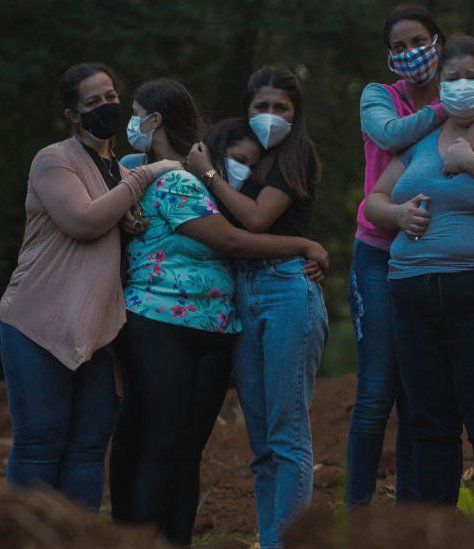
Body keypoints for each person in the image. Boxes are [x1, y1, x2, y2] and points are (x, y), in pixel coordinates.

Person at [108, 79, 328, 546]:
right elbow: (233, 239)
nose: (242, 168)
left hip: (221, 322)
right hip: (160, 321)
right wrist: (306, 243)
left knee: (196, 448)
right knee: (164, 443)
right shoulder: (161, 175)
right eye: (261, 105)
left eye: (250, 164)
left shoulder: (221, 191)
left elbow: (245, 226)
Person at [347, 2, 474, 507]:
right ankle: (396, 523)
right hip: (399, 275)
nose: (411, 54)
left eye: (469, 78)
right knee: (403, 409)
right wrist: (396, 213)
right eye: (399, 47)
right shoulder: (400, 115)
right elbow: (377, 191)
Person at [0, 63, 180, 510]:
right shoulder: (54, 159)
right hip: (36, 322)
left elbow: (110, 224)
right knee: (41, 441)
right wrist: (145, 176)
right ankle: (26, 539)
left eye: (111, 96)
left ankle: (76, 538)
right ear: (73, 114)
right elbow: (81, 221)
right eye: (93, 102)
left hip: (96, 329)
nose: (107, 106)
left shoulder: (116, 167)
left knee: (87, 446)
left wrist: (130, 214)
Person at [184, 66, 328, 549]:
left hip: (288, 290)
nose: (270, 116)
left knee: (288, 434)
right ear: (247, 111)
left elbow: (255, 221)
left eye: (281, 108)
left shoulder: (297, 154)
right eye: (261, 107)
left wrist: (205, 171)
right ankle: (272, 539)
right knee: (262, 442)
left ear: (295, 113)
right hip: (243, 293)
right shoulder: (244, 163)